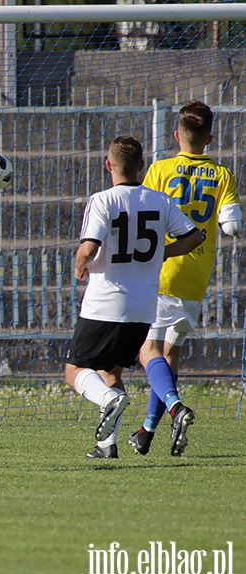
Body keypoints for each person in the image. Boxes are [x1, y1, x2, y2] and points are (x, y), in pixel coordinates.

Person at [64, 135, 203, 459]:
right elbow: (193, 237)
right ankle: (105, 445)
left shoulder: (102, 200)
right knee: (112, 374)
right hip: (143, 309)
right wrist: (161, 253)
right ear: (142, 166)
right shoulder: (160, 201)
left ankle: (108, 401)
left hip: (106, 302)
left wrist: (79, 266)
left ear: (108, 165)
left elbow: (89, 247)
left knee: (74, 371)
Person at [130, 100, 241, 457]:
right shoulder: (223, 175)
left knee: (146, 350)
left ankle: (177, 408)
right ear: (209, 138)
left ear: (176, 134)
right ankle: (147, 431)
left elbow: (139, 214)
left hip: (161, 270)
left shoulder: (160, 170)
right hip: (196, 276)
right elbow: (233, 226)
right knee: (170, 354)